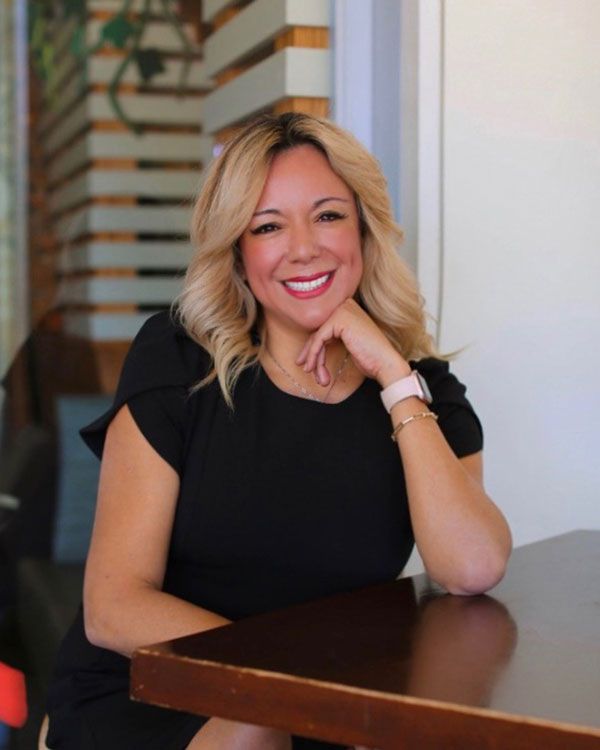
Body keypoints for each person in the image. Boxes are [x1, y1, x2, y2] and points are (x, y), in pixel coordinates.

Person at [45, 112, 512, 749]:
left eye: (327, 215)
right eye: (268, 226)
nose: (303, 247)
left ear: (364, 230)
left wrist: (395, 379)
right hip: (153, 689)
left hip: (310, 700)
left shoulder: (423, 391)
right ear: (239, 252)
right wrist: (289, 687)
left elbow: (472, 567)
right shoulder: (179, 363)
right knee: (257, 729)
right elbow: (113, 605)